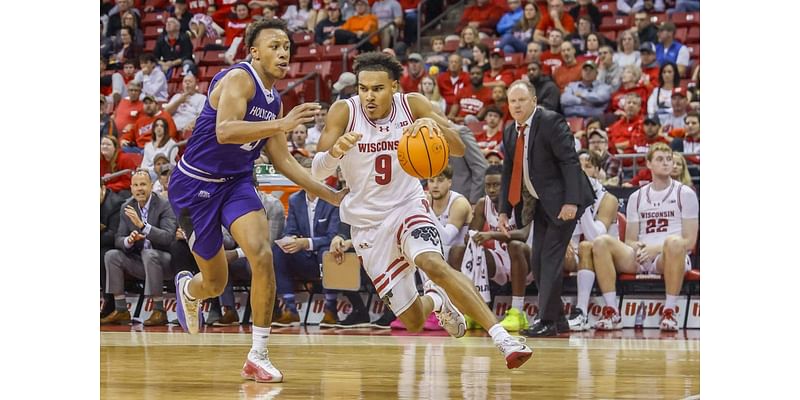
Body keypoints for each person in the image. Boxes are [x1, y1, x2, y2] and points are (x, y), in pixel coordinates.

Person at [311, 52, 532, 368]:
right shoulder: (343, 112)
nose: (369, 96)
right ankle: (437, 301)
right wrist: (334, 153)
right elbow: (316, 171)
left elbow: (457, 148)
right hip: (368, 226)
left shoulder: (412, 105)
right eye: (363, 88)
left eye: (377, 88)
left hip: (408, 206)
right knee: (413, 320)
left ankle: (503, 339)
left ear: (395, 87)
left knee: (433, 264)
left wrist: (434, 125)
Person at [169, 19, 347, 383]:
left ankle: (258, 355)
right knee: (215, 284)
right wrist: (281, 124)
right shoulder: (239, 79)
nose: (283, 53)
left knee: (261, 254)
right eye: (275, 46)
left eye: (287, 47)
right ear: (254, 51)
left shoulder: (274, 99)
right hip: (195, 187)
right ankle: (190, 288)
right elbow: (226, 130)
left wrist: (329, 192)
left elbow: (284, 162)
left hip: (235, 183)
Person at [498, 80, 594, 337]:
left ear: (534, 101)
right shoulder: (510, 131)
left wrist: (571, 202)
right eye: (512, 101)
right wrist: (504, 210)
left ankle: (547, 320)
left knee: (549, 259)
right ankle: (559, 319)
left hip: (565, 201)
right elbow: (508, 172)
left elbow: (570, 162)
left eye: (521, 100)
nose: (516, 105)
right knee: (538, 260)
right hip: (540, 203)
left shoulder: (551, 121)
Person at [590, 143, 698, 331]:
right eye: (660, 159)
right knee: (601, 242)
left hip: (670, 256)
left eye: (669, 159)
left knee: (673, 242)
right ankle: (612, 311)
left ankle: (669, 312)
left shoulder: (685, 193)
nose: (666, 163)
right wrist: (639, 248)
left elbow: (689, 241)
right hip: (642, 256)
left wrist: (654, 249)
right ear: (648, 164)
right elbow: (630, 240)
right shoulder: (637, 196)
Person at [461, 165, 534, 332]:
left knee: (515, 246)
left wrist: (491, 235)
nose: (491, 190)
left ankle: (517, 313)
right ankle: (474, 310)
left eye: (496, 185)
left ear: (507, 185)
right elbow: (469, 237)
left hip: (528, 260)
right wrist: (473, 237)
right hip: (500, 261)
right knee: (460, 252)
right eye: (488, 185)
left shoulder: (521, 201)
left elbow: (523, 234)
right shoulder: (483, 204)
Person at [101, 169, 178, 326]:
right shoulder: (127, 207)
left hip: (165, 262)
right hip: (140, 262)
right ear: (131, 188)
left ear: (151, 186)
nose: (139, 188)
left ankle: (159, 310)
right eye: (135, 185)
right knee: (111, 255)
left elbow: (168, 237)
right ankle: (121, 309)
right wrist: (129, 240)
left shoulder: (165, 205)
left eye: (143, 184)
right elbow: (118, 239)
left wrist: (143, 226)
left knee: (149, 254)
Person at [271, 165, 341, 327]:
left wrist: (306, 243)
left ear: (321, 179)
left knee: (327, 250)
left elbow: (332, 237)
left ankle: (331, 310)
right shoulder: (295, 199)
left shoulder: (332, 199)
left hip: (325, 256)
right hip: (304, 258)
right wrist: (290, 239)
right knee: (278, 250)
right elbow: (290, 230)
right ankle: (290, 310)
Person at [566, 150, 619, 331]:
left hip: (604, 256)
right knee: (550, 249)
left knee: (587, 246)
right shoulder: (564, 194)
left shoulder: (608, 199)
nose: (581, 171)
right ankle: (547, 312)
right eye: (577, 167)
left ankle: (581, 312)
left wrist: (584, 203)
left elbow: (596, 237)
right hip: (574, 254)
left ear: (597, 171)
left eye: (587, 167)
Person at [100, 180, 127, 318]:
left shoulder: (115, 204)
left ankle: (109, 301)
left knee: (103, 255)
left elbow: (114, 236)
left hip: (120, 248)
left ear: (103, 188)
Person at [449, 124, 488, 204]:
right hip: (439, 202)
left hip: (464, 199)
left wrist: (474, 201)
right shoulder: (427, 135)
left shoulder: (459, 132)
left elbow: (480, 167)